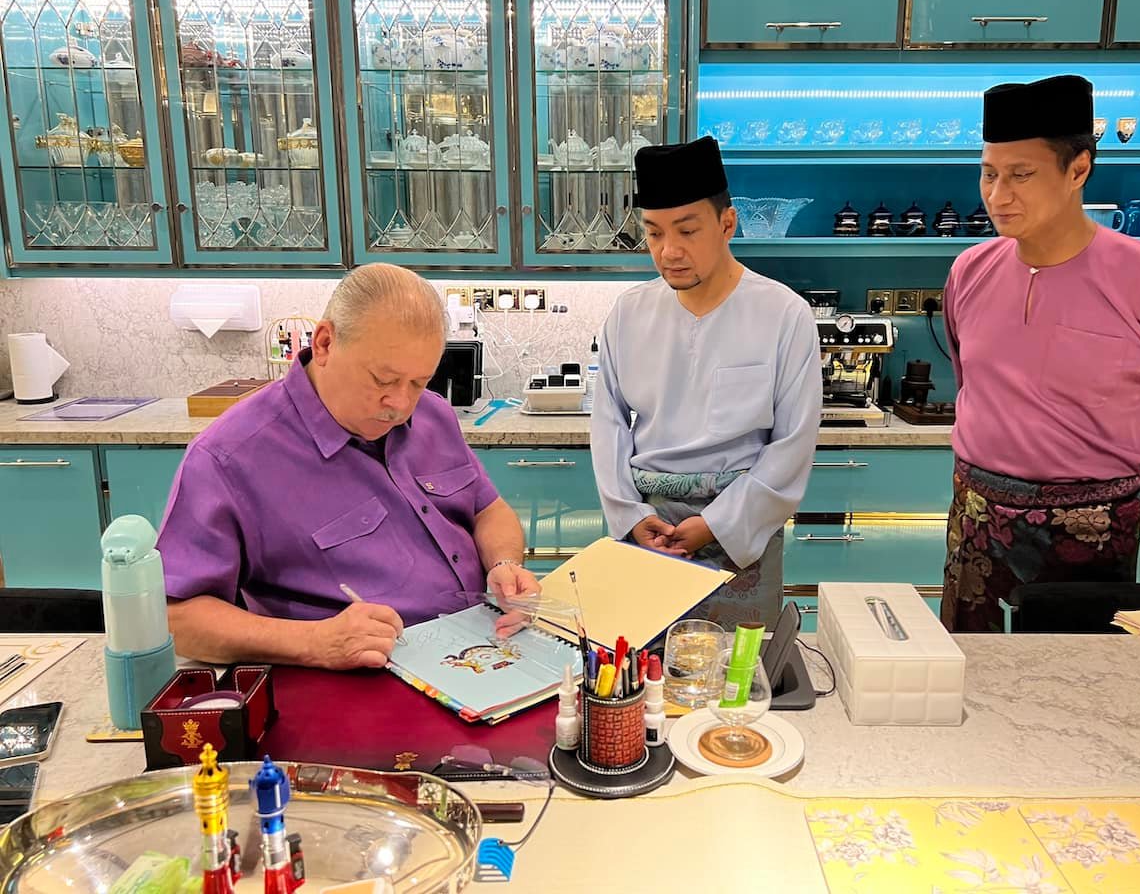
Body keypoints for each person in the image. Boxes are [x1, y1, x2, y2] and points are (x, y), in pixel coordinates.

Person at [940, 74, 1140, 632]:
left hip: (1093, 532)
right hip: (976, 517)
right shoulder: (969, 271)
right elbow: (970, 382)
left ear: (1078, 170)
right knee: (970, 667)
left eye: (1021, 175)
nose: (998, 196)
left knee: (1075, 676)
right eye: (989, 173)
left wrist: (1125, 507)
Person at [158, 263, 539, 668]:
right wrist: (315, 641)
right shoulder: (228, 458)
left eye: (418, 383)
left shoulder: (434, 414)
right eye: (382, 380)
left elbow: (487, 510)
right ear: (324, 343)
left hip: (481, 649)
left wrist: (504, 564)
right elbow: (176, 618)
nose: (400, 405)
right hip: (357, 678)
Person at [590, 136, 823, 628]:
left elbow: (793, 444)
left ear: (727, 224)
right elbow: (607, 422)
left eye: (688, 230)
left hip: (741, 524)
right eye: (654, 233)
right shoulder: (629, 314)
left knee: (740, 667)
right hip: (648, 524)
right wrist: (631, 515)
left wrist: (715, 524)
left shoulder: (783, 314)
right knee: (646, 662)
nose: (669, 251)